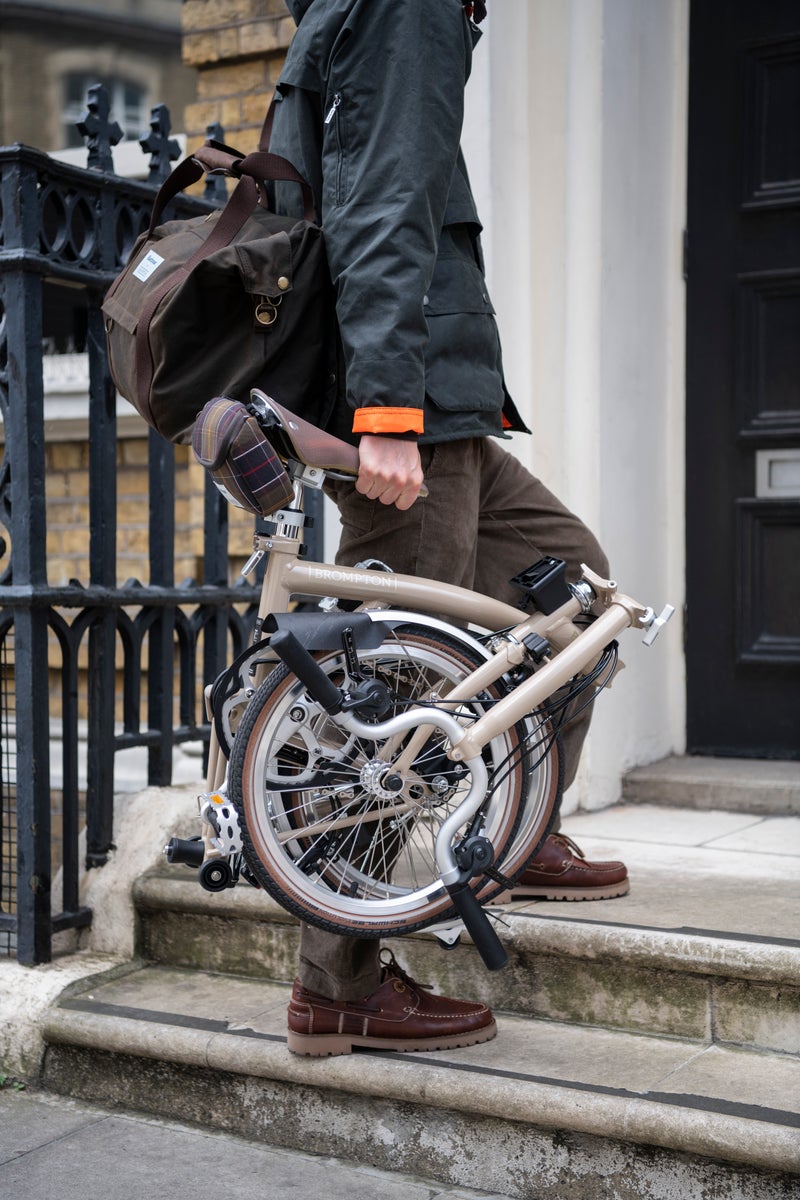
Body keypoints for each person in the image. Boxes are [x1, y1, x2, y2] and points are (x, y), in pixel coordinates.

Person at [269, 0, 628, 1057]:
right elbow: (380, 199)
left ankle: (515, 833)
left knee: (572, 593)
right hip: (406, 412)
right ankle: (334, 985)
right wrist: (383, 412)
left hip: (446, 411)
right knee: (376, 704)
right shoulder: (405, 5)